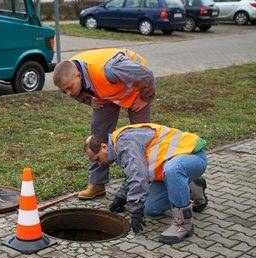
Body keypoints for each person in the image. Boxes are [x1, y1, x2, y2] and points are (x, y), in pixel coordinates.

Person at [53, 48, 156, 200]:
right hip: (107, 93)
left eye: (69, 88)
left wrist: (146, 97)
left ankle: (144, 183)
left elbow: (146, 75)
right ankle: (97, 184)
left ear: (79, 76)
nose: (68, 93)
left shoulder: (110, 69)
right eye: (64, 90)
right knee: (98, 133)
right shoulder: (69, 73)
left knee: (140, 137)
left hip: (137, 89)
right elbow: (74, 91)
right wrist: (89, 99)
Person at [84, 123, 208, 244]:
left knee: (173, 169)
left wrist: (136, 209)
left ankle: (183, 224)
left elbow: (139, 175)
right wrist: (121, 197)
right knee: (151, 209)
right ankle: (192, 186)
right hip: (170, 170)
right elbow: (133, 171)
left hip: (192, 155)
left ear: (104, 147)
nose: (99, 164)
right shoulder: (118, 145)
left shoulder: (125, 143)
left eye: (97, 159)